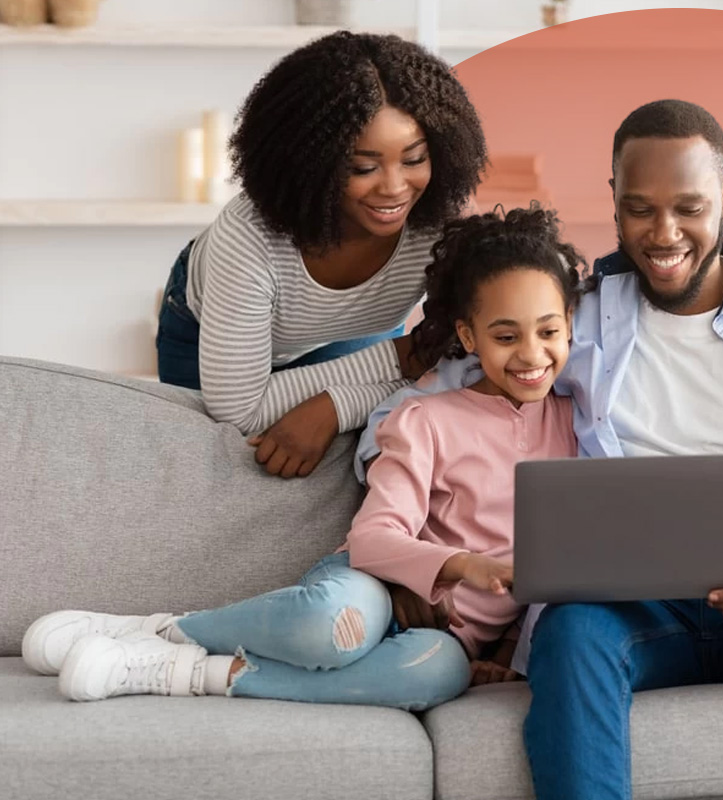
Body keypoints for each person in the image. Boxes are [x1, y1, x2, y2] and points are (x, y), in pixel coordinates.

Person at [358, 100, 723, 799]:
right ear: (613, 202)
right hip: (630, 612)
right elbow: (421, 400)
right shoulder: (576, 318)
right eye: (640, 209)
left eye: (689, 207)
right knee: (571, 631)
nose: (664, 234)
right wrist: (410, 556)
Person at [22, 206, 583, 708]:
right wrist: (463, 565)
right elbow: (372, 540)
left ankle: (183, 671)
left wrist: (506, 649)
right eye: (506, 337)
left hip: (442, 640)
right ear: (469, 334)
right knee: (331, 623)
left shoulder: (578, 427)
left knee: (436, 674)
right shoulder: (427, 420)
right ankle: (163, 629)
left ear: (570, 328)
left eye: (549, 331)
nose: (531, 354)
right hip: (369, 586)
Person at [156, 31, 488, 478]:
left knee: (343, 473)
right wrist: (407, 357)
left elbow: (475, 351)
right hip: (203, 332)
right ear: (311, 163)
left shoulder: (444, 223)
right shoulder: (247, 239)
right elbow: (237, 410)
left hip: (349, 330)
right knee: (217, 473)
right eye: (362, 168)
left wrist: (336, 405)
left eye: (413, 159)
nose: (394, 188)